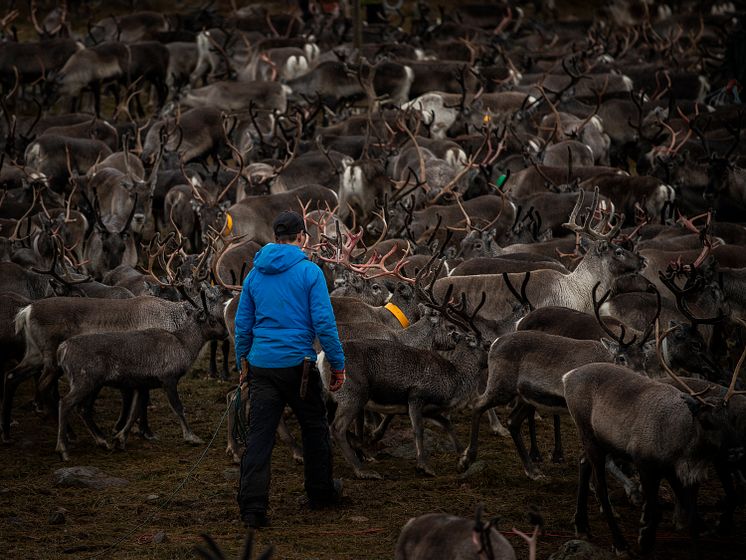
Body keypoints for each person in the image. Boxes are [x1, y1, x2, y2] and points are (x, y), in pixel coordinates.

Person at [233, 210, 346, 529]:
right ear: (301, 238)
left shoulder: (254, 274)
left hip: (262, 365)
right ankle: (320, 492)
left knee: (259, 436)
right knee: (314, 426)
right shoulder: (310, 273)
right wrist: (338, 364)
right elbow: (324, 323)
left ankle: (252, 507)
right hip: (300, 367)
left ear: (276, 237)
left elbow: (243, 325)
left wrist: (242, 362)